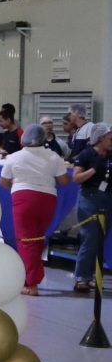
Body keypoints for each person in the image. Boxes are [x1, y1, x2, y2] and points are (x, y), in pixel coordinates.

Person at [0, 124, 71, 295]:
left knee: (26, 241)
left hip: (23, 198)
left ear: (24, 140)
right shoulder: (54, 156)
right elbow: (64, 181)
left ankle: (30, 283)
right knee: (37, 239)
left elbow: (3, 182)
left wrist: (18, 184)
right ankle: (35, 276)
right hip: (47, 199)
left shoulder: (14, 157)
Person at [71, 123, 111, 293]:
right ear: (101, 138)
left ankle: (95, 275)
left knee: (101, 238)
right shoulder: (87, 154)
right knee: (90, 237)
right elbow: (77, 178)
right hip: (90, 198)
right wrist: (93, 170)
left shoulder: (109, 155)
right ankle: (82, 276)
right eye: (110, 138)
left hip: (107, 198)